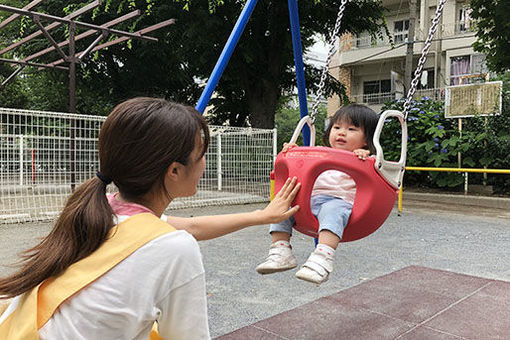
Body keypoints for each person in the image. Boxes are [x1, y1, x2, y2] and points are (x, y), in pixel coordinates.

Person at [0, 97, 300, 340]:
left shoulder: (102, 207)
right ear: (174, 171)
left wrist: (262, 216)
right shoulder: (172, 248)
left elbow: (193, 226)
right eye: (201, 154)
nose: (205, 162)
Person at [256, 104, 379, 285]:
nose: (341, 133)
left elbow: (376, 170)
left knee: (332, 209)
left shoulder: (363, 158)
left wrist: (366, 157)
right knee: (282, 204)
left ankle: (323, 258)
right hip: (309, 201)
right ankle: (281, 251)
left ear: (367, 140)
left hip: (340, 203)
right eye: (337, 127)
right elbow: (301, 164)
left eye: (351, 129)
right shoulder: (321, 154)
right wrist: (293, 150)